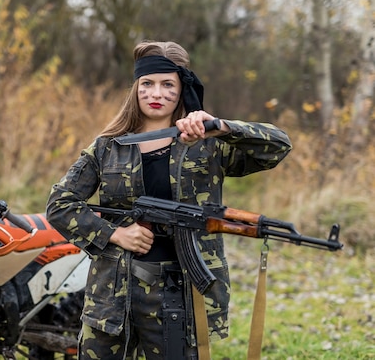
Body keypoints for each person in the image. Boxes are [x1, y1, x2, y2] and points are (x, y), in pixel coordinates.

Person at [45, 40, 292, 359]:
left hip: (182, 294)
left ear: (182, 89)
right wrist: (115, 234)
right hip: (112, 294)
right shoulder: (108, 147)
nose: (156, 93)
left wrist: (221, 128)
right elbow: (60, 204)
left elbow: (278, 146)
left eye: (167, 84)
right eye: (147, 84)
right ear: (135, 89)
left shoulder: (208, 146)